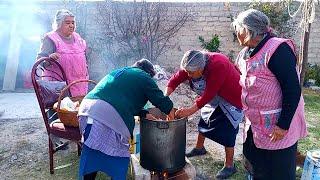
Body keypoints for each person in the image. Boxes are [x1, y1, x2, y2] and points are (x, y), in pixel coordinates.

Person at [232, 9, 308, 180]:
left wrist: (283, 125)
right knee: (256, 166)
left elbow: (292, 89)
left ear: (248, 29)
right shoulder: (245, 53)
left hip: (277, 127)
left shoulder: (277, 49)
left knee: (278, 170)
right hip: (254, 126)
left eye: (238, 28)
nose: (236, 32)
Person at [78, 59, 175, 180]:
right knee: (119, 157)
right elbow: (161, 100)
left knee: (92, 152)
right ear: (149, 72)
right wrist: (172, 115)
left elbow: (123, 100)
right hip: (106, 115)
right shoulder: (144, 77)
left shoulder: (123, 72)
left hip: (87, 111)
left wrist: (145, 114)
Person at [165, 50, 244, 179]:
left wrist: (189, 111)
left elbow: (209, 93)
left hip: (231, 97)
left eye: (191, 73)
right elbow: (175, 80)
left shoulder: (219, 64)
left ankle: (230, 165)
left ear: (202, 68)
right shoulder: (192, 63)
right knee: (205, 120)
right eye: (187, 72)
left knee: (228, 130)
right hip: (214, 97)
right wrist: (164, 99)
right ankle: (199, 148)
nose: (188, 75)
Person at [37, 9, 88, 97]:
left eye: (73, 23)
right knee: (61, 109)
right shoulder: (51, 38)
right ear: (59, 24)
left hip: (80, 84)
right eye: (67, 23)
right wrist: (49, 58)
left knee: (78, 108)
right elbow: (40, 61)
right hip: (59, 88)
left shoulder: (78, 38)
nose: (71, 26)